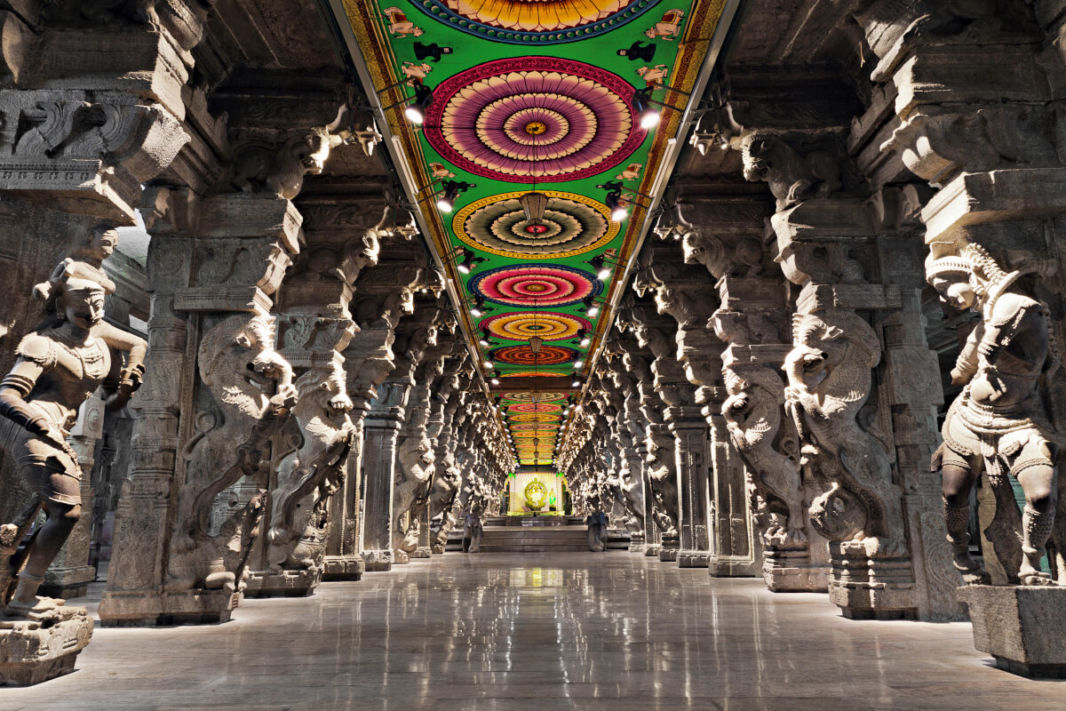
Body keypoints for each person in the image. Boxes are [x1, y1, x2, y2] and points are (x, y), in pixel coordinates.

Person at [1, 261, 146, 617]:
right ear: (61, 306)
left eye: (98, 306)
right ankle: (23, 598)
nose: (94, 314)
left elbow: (137, 343)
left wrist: (129, 380)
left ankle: (17, 591)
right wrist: (39, 423)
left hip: (58, 430)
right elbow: (6, 395)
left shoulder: (99, 340)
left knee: (40, 512)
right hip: (31, 425)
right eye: (84, 308)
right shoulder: (42, 344)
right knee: (66, 510)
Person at [927, 244, 1059, 585]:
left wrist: (991, 341)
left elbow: (1011, 319)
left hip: (1021, 420)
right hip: (969, 420)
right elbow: (960, 372)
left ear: (972, 276)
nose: (944, 300)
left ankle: (1032, 559)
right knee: (954, 494)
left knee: (1041, 494)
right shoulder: (979, 328)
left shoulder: (1020, 308)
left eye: (946, 288)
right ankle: (959, 554)